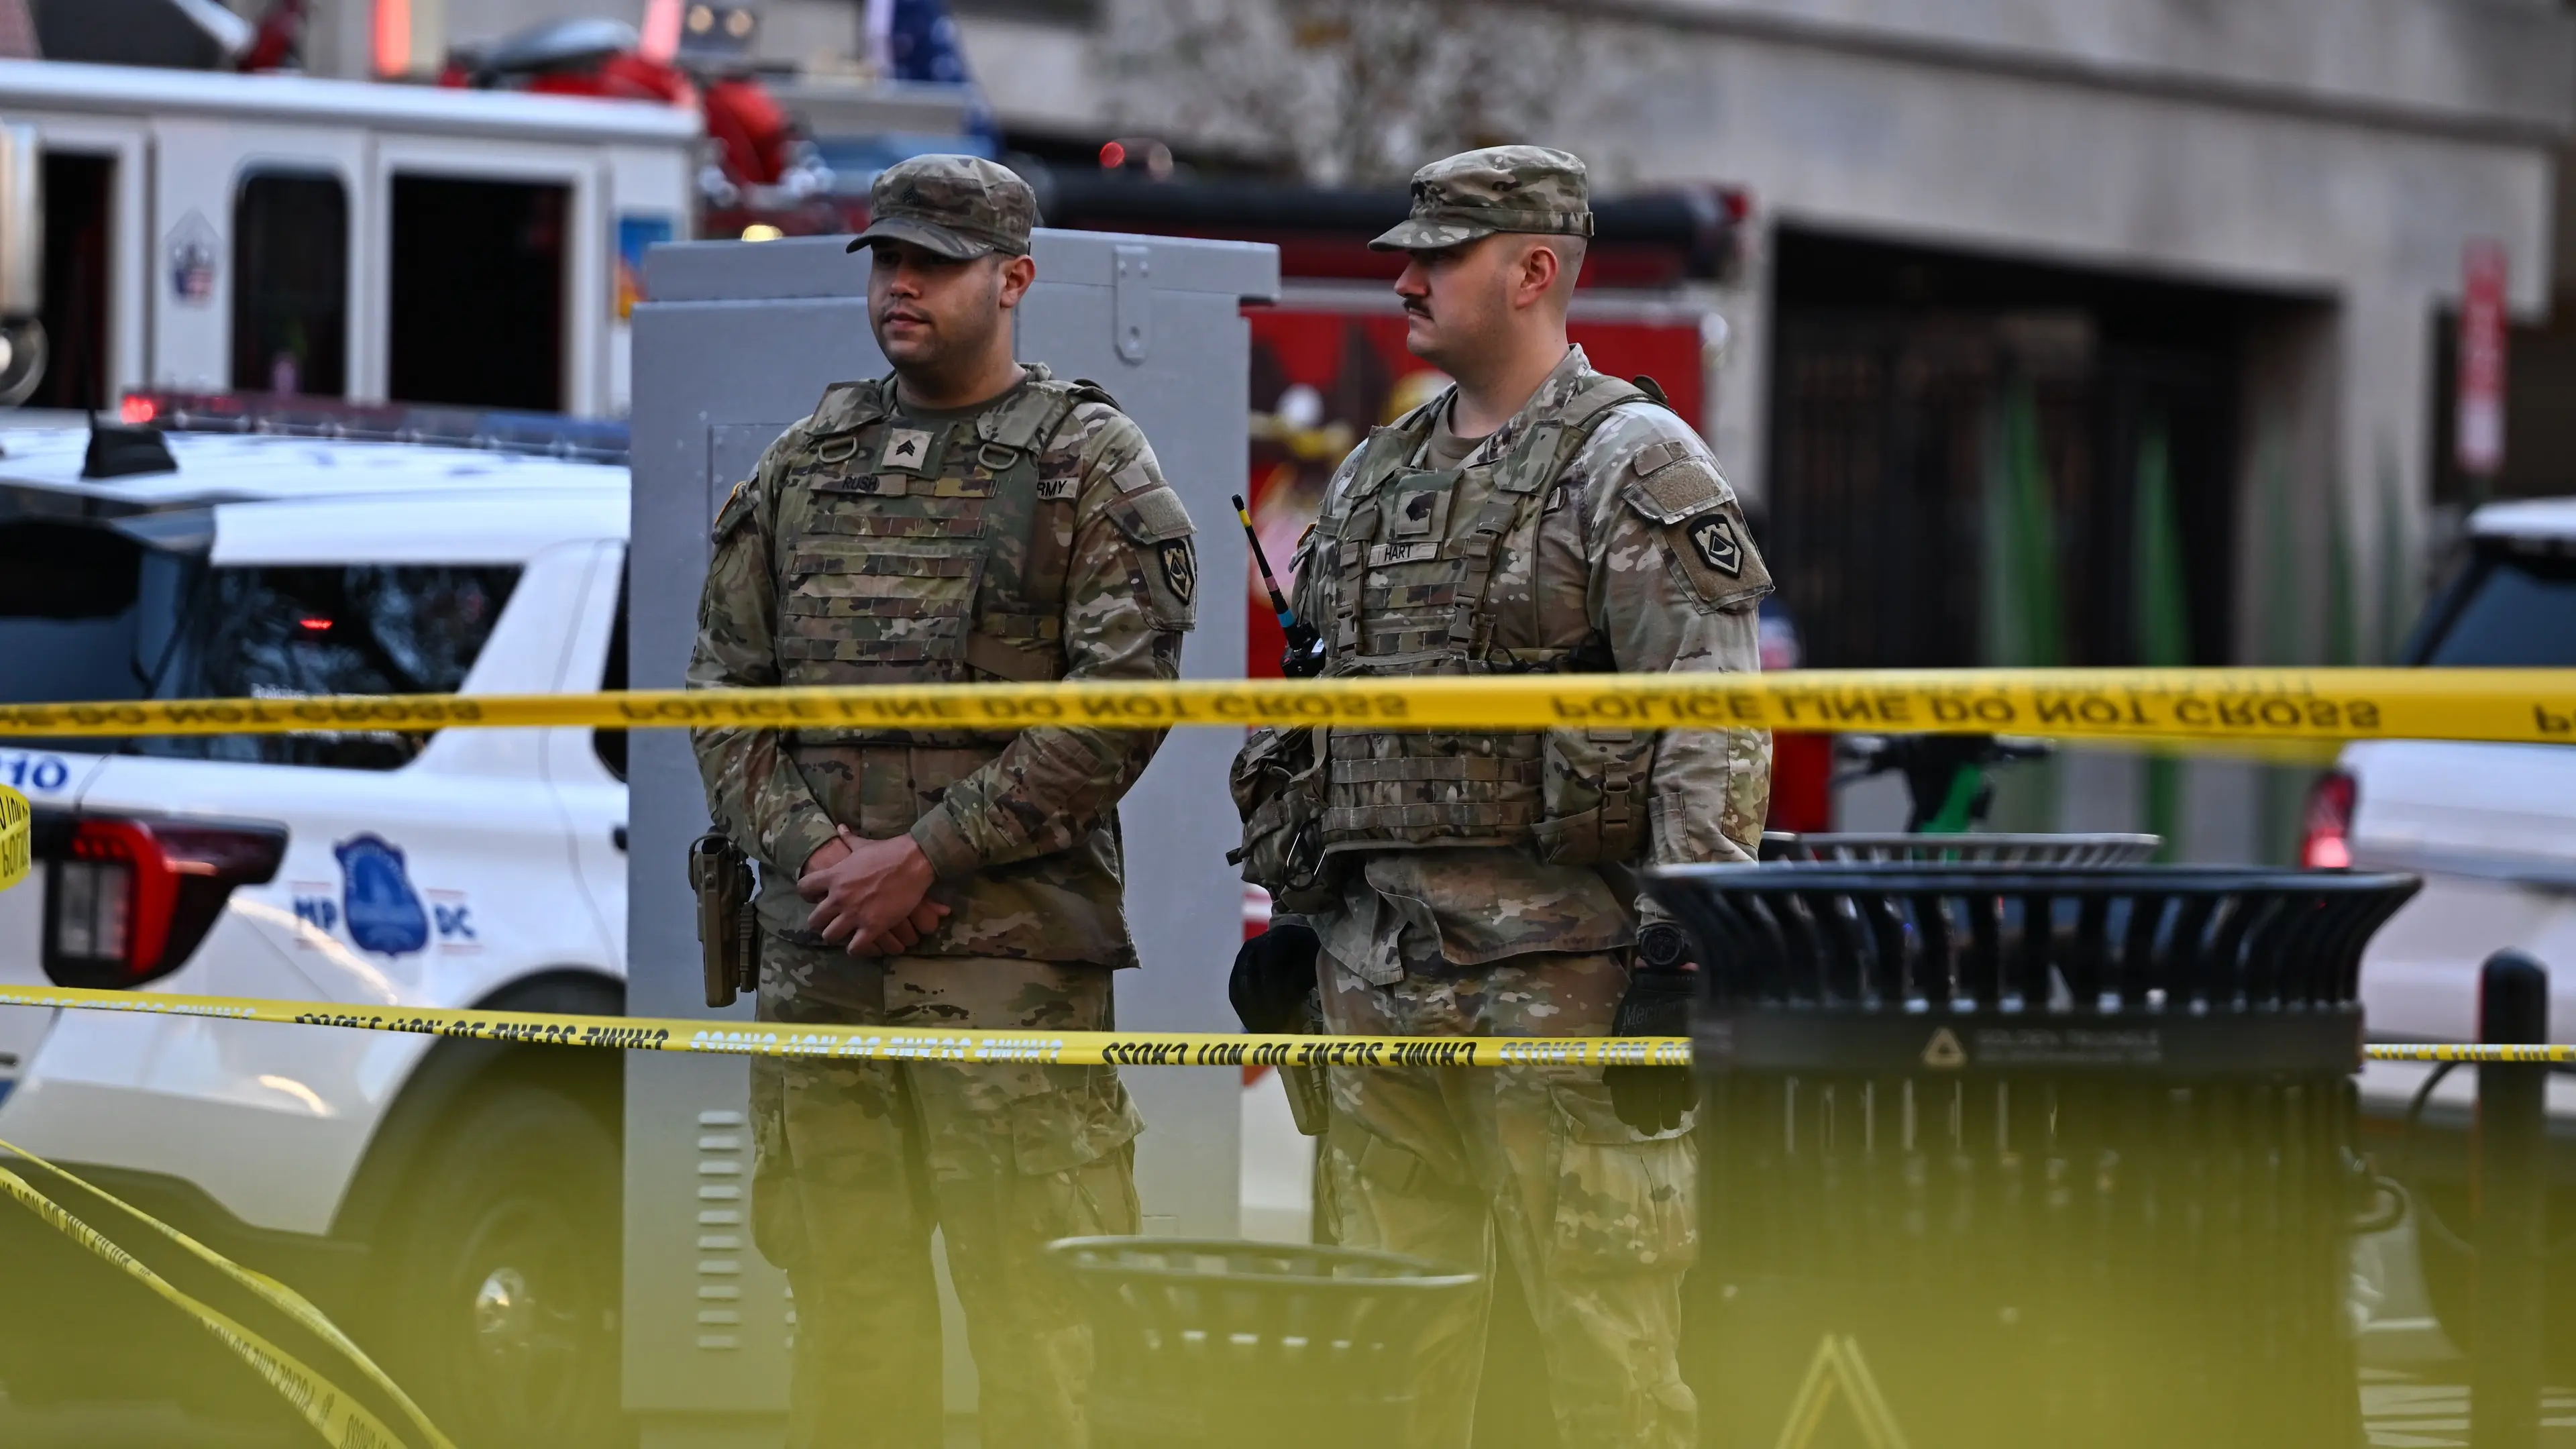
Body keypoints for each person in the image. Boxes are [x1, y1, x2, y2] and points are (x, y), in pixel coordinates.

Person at [1228, 146, 1772, 1448]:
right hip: (1379, 974)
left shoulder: (1634, 465)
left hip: (1565, 983)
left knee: (1605, 1354)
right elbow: (1322, 722)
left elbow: (1712, 726)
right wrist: (1303, 911)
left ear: (1534, 269)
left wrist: (1678, 963)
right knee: (1387, 1366)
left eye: (1438, 254)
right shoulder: (1370, 479)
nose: (1403, 278)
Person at [689, 154, 1198, 1448]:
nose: (898, 282)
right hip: (826, 958)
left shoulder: (1090, 465)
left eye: (932, 261)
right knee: (849, 1331)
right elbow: (722, 690)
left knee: (1038, 1329)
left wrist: (921, 858)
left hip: (1005, 967)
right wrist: (823, 862)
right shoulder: (810, 460)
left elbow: (1118, 710)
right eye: (884, 259)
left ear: (1015, 279)